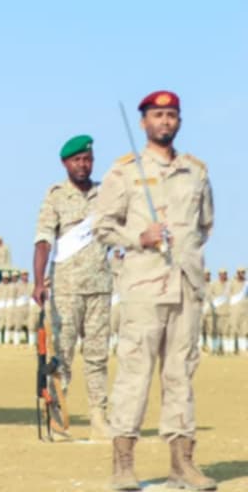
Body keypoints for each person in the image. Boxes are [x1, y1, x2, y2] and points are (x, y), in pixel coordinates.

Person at [93, 91, 215, 490]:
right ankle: (123, 464)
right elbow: (102, 226)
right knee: (135, 375)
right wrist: (139, 237)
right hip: (144, 287)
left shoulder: (196, 171)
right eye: (158, 115)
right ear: (144, 122)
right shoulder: (124, 172)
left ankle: (183, 464)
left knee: (181, 375)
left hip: (185, 287)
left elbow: (204, 226)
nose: (165, 121)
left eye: (171, 115)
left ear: (179, 121)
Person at [32, 134, 112, 442]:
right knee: (62, 357)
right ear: (65, 163)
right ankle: (57, 419)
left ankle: (99, 419)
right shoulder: (55, 196)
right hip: (66, 290)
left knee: (97, 357)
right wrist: (38, 281)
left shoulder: (106, 195)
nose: (83, 165)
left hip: (99, 287)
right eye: (77, 160)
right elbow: (43, 240)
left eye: (87, 159)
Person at [0, 270, 10, 346]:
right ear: (2, 278)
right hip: (0, 307)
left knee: (8, 324)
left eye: (7, 278)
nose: (5, 279)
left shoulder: (10, 286)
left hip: (8, 307)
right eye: (4, 278)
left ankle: (7, 341)